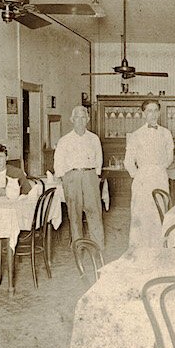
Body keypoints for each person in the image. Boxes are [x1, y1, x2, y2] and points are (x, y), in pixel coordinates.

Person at [124, 99, 174, 247]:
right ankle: (140, 249)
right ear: (143, 113)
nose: (152, 114)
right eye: (149, 111)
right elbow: (128, 162)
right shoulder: (136, 135)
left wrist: (158, 169)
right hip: (142, 180)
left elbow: (169, 157)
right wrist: (140, 175)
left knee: (159, 211)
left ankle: (159, 247)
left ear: (159, 113)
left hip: (160, 177)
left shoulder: (166, 133)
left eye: (155, 111)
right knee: (142, 213)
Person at [54, 106, 105, 249]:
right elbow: (58, 162)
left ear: (88, 119)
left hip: (90, 176)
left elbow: (99, 158)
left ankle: (98, 246)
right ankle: (78, 246)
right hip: (72, 177)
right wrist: (64, 178)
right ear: (72, 120)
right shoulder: (65, 140)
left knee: (94, 211)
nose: (81, 120)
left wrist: (96, 175)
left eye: (84, 117)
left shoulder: (94, 139)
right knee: (74, 214)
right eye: (77, 117)